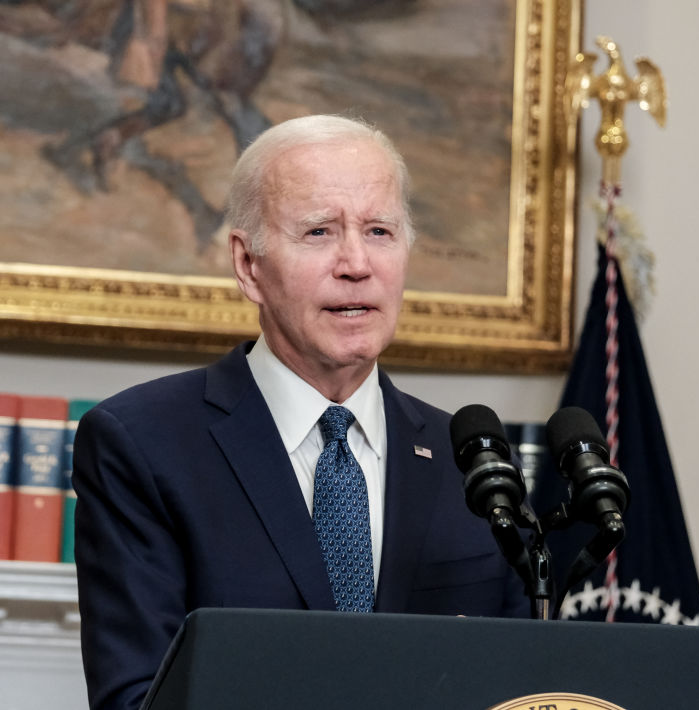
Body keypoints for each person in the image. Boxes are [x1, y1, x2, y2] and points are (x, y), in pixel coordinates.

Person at [72, 114, 528, 710]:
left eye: (380, 232)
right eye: (319, 232)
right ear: (248, 265)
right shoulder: (143, 444)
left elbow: (524, 683)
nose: (356, 263)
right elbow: (139, 699)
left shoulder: (470, 457)